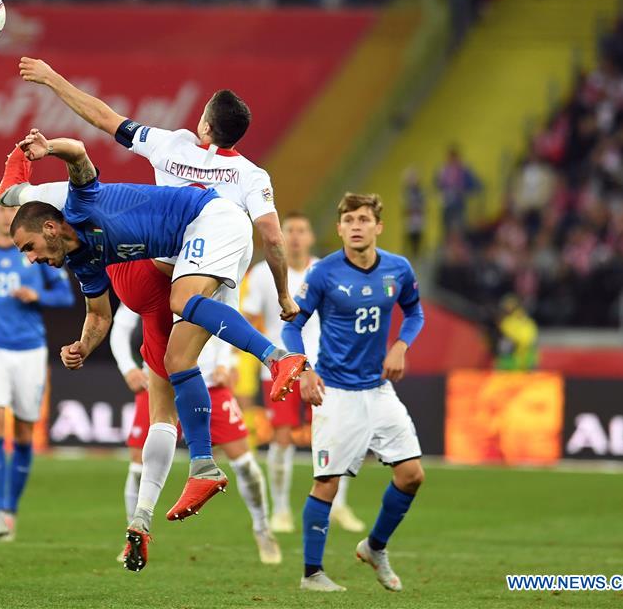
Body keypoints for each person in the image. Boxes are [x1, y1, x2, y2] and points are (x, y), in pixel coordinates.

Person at [6, 131, 306, 529]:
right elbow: (99, 316)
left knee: (182, 309)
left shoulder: (79, 203)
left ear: (48, 227)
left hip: (207, 229)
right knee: (171, 379)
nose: (30, 260)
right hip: (162, 296)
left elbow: (74, 152)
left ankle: (278, 358)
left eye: (28, 249)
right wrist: (81, 346)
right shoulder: (85, 263)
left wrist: (40, 144)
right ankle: (161, 503)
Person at [283, 193, 425, 593]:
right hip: (337, 392)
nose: (357, 225)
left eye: (364, 219)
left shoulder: (398, 269)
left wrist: (400, 345)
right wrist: (303, 369)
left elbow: (415, 311)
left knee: (412, 475)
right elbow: (292, 326)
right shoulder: (324, 273)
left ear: (378, 226)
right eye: (349, 220)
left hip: (378, 392)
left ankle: (374, 547)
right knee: (327, 483)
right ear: (340, 228)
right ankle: (312, 573)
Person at [111, 303, 281, 566]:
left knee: (245, 463)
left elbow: (226, 313)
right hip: (159, 382)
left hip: (210, 382)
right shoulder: (149, 269)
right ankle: (133, 534)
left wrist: (226, 362)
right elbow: (121, 328)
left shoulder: (201, 273)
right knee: (137, 466)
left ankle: (262, 528)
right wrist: (127, 368)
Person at [0, 199, 75, 541]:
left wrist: (36, 294)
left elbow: (64, 295)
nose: (4, 213)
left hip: (29, 349)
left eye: (10, 208)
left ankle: (11, 506)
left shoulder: (34, 250)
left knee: (24, 431)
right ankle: (0, 511)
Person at [242, 212, 365, 534]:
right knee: (281, 438)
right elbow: (249, 319)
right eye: (290, 230)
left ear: (311, 237)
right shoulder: (259, 273)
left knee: (334, 437)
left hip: (322, 367)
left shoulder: (325, 272)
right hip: (281, 367)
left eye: (302, 230)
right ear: (280, 235)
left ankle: (338, 506)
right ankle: (281, 510)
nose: (295, 236)